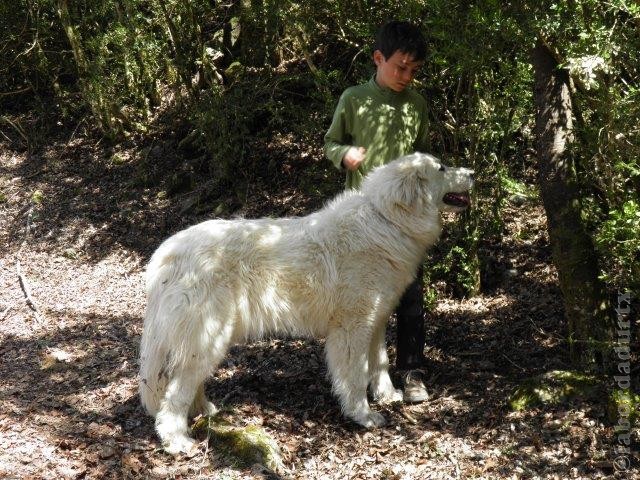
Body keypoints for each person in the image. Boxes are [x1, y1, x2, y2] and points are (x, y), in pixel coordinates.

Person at [324, 20, 431, 403]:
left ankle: (413, 371)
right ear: (378, 58)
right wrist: (344, 155)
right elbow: (330, 142)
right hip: (363, 224)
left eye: (413, 71)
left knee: (410, 296)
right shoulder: (354, 98)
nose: (406, 76)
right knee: (367, 299)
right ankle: (370, 373)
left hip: (406, 224)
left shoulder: (417, 105)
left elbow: (423, 160)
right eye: (399, 67)